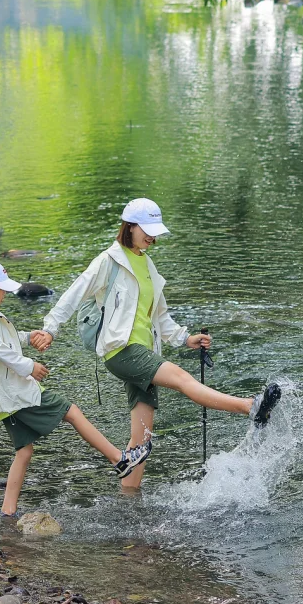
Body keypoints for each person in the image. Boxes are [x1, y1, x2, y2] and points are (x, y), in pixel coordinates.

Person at [30, 198, 281, 491]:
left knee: (141, 441)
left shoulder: (147, 264)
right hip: (121, 350)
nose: (152, 235)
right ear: (130, 226)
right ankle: (250, 407)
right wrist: (50, 329)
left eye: (154, 230)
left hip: (143, 351)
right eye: (146, 229)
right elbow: (74, 293)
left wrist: (186, 338)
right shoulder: (109, 261)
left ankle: (129, 501)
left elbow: (159, 316)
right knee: (181, 378)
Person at [0, 258, 150, 515]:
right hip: (15, 393)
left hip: (3, 397)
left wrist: (28, 337)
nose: (5, 293)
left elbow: (1, 342)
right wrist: (29, 366)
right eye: (1, 288)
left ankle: (8, 511)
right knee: (71, 411)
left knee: (24, 451)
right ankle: (119, 460)